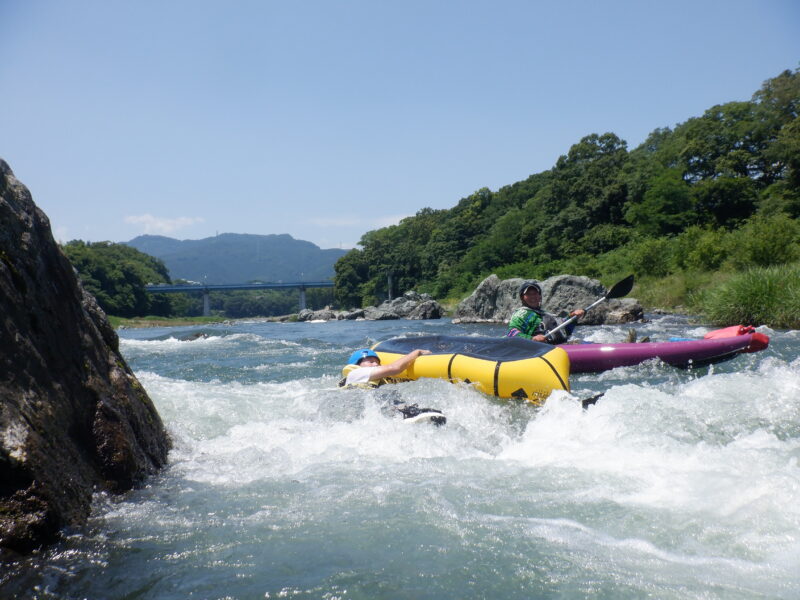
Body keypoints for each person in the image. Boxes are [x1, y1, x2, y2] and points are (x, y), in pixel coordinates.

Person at [339, 348, 446, 425]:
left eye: (377, 362)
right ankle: (406, 414)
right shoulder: (355, 374)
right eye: (371, 362)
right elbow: (395, 367)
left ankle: (404, 414)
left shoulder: (378, 380)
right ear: (357, 364)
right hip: (364, 409)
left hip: (368, 415)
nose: (376, 365)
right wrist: (416, 352)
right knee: (384, 393)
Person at [506, 280, 585, 344]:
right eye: (528, 294)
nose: (533, 296)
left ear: (540, 296)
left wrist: (573, 316)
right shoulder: (521, 314)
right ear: (522, 298)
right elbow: (511, 334)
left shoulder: (545, 314)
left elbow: (565, 330)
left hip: (560, 346)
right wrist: (532, 339)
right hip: (539, 351)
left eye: (535, 293)